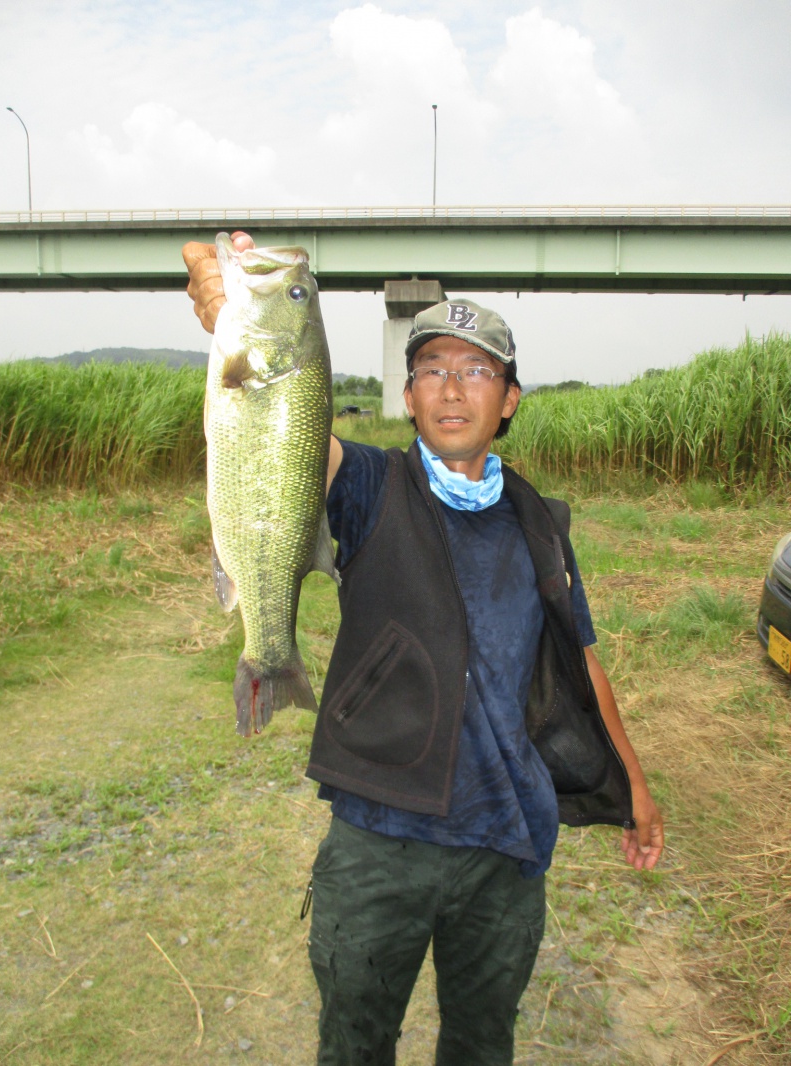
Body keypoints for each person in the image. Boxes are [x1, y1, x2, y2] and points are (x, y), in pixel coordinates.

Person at [183, 234, 664, 1066]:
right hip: (378, 840)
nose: (452, 387)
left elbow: (581, 660)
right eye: (433, 369)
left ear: (509, 398)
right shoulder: (370, 486)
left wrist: (635, 784)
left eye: (476, 371)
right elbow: (286, 436)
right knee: (355, 1045)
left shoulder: (541, 524)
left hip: (503, 847)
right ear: (408, 396)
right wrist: (229, 316)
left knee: (482, 1047)